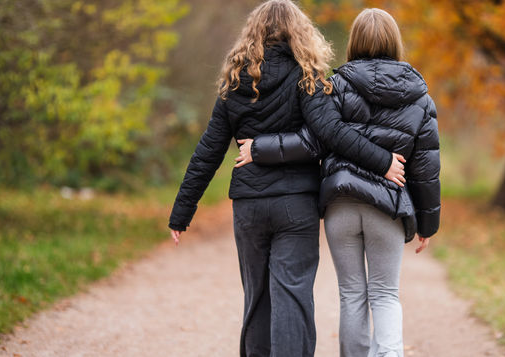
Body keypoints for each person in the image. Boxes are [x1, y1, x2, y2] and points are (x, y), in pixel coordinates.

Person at [167, 1, 406, 356]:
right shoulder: (306, 77)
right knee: (292, 295)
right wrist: (383, 160)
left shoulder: (235, 82)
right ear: (300, 33)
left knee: (257, 298)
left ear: (253, 33)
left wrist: (181, 212)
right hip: (296, 204)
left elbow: (208, 151)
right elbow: (331, 133)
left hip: (249, 206)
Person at [238, 8, 440, 357]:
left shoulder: (334, 86)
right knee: (384, 293)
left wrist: (259, 147)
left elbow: (315, 140)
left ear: (354, 41)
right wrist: (427, 222)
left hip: (341, 203)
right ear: (395, 42)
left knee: (351, 293)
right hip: (388, 204)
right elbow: (425, 166)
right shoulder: (420, 96)